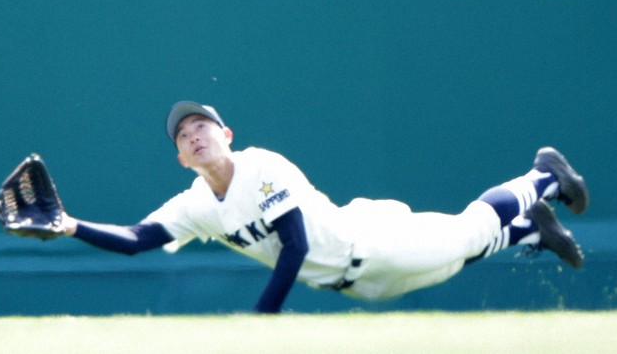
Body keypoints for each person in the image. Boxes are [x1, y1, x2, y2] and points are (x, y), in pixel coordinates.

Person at [61, 101, 589, 313]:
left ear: (226, 133)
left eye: (201, 125)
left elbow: (295, 245)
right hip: (359, 281)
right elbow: (136, 239)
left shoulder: (260, 165)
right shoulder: (197, 203)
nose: (192, 134)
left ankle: (543, 174)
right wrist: (67, 225)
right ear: (179, 158)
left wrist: (262, 318)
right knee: (452, 260)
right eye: (182, 134)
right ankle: (529, 232)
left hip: (370, 243)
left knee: (468, 232)